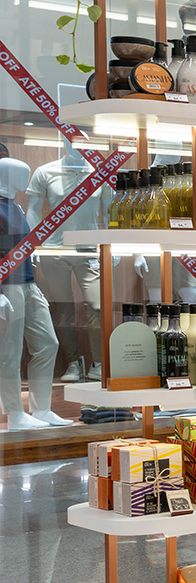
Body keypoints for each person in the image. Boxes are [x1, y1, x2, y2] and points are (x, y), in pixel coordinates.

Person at [28, 140, 108, 381]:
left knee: (97, 305)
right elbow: (33, 210)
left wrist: (111, 247)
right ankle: (74, 363)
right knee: (63, 308)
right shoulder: (45, 171)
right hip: (54, 250)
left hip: (89, 250)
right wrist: (32, 245)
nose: (74, 145)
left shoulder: (100, 172)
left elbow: (108, 211)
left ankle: (99, 363)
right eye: (68, 139)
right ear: (62, 141)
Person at [1, 157, 67, 428]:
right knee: (10, 351)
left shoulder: (16, 207)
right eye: (21, 174)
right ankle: (14, 414)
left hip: (28, 282)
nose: (25, 179)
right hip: (8, 286)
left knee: (48, 343)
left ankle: (41, 409)